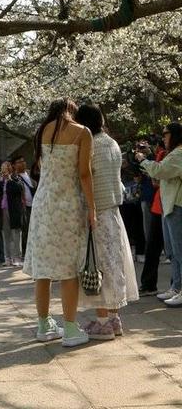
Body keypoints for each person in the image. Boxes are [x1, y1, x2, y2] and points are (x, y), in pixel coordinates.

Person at [23, 98, 95, 347]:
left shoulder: (43, 130)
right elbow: (84, 173)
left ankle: (44, 325)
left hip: (43, 203)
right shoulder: (82, 132)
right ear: (72, 111)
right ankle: (71, 329)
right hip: (68, 204)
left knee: (42, 270)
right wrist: (92, 208)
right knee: (68, 270)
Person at [74, 104, 138, 338]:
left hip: (97, 211)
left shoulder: (91, 144)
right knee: (114, 265)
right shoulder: (112, 142)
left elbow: (85, 175)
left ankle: (102, 322)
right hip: (113, 210)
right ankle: (114, 318)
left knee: (98, 264)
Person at [135, 121, 182, 307]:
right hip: (169, 205)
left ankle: (179, 288)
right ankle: (176, 287)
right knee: (172, 251)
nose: (163, 137)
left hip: (176, 206)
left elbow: (160, 170)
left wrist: (143, 160)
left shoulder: (179, 153)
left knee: (179, 250)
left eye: (166, 133)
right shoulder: (174, 153)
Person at [0, 161, 25, 267]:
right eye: (2, 168)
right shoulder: (1, 181)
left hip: (14, 210)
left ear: (10, 169)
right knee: (6, 235)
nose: (3, 170)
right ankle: (8, 258)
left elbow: (19, 189)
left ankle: (17, 258)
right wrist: (1, 180)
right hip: (3, 210)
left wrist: (9, 179)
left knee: (15, 234)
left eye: (5, 168)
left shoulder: (16, 178)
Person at [12, 155, 35, 255]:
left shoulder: (30, 174)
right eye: (19, 162)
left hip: (34, 205)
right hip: (24, 207)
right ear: (14, 165)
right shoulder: (14, 177)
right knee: (26, 229)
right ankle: (25, 252)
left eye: (23, 161)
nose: (23, 163)